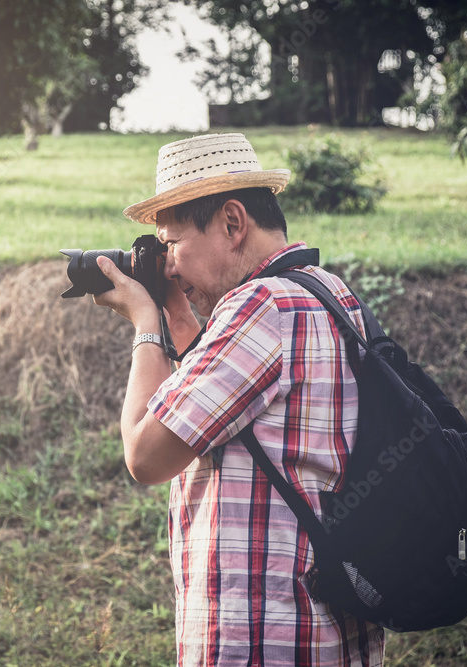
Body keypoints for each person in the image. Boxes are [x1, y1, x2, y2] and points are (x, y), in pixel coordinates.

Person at [91, 133, 385, 666]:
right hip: (324, 636)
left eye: (172, 243)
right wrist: (178, 318)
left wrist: (144, 325)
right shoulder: (326, 294)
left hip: (261, 638)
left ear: (232, 222)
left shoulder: (261, 307)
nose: (168, 265)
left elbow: (145, 454)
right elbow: (231, 417)